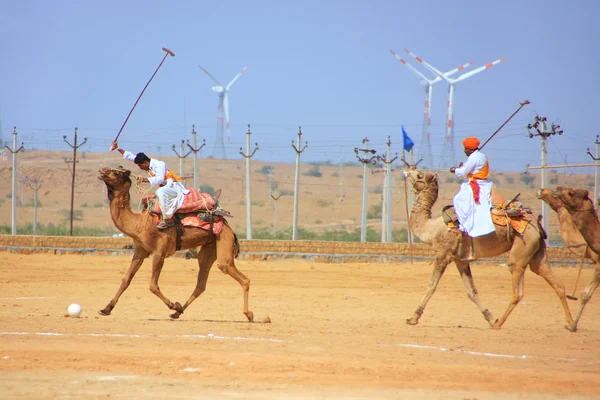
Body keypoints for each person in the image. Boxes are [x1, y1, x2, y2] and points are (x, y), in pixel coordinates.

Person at [110, 140, 189, 229]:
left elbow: (160, 179)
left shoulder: (159, 164)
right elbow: (132, 157)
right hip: (166, 187)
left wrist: (145, 179)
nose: (140, 168)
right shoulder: (148, 165)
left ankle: (168, 219)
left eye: (140, 166)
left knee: (160, 192)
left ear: (145, 163)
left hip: (173, 187)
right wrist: (118, 148)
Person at [449, 137, 495, 240]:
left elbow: (463, 173)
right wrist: (463, 166)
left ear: (471, 149)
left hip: (476, 185)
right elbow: (471, 169)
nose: (464, 150)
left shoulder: (474, 158)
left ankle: (463, 227)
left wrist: (454, 170)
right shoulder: (481, 156)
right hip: (481, 183)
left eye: (465, 148)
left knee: (458, 200)